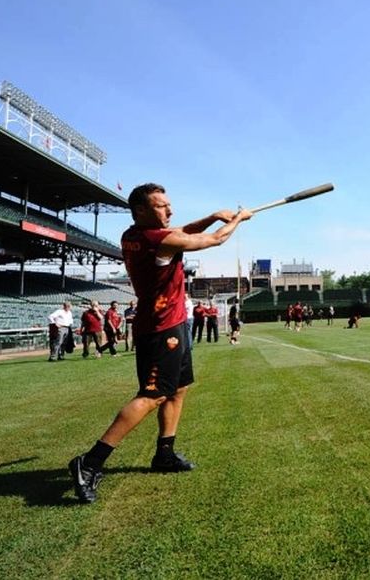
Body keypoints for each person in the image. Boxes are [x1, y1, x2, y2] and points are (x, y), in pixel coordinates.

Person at [68, 182, 251, 504]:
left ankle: (164, 453)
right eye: (160, 206)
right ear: (141, 210)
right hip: (160, 328)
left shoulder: (134, 234)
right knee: (152, 395)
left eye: (168, 204)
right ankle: (90, 462)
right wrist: (236, 220)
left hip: (174, 324)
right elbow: (213, 240)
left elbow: (183, 229)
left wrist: (212, 216)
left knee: (178, 389)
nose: (169, 210)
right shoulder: (157, 241)